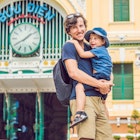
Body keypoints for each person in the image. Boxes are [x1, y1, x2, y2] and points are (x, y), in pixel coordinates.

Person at [62, 13, 113, 140]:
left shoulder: (92, 47)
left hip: (99, 99)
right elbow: (73, 72)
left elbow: (108, 68)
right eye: (74, 27)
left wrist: (107, 85)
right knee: (87, 137)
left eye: (81, 25)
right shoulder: (69, 46)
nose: (79, 30)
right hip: (83, 99)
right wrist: (99, 84)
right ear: (69, 31)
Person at [68, 27, 113, 128]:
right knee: (103, 102)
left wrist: (75, 43)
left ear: (103, 41)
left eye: (95, 38)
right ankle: (106, 124)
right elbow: (111, 68)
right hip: (105, 78)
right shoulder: (105, 53)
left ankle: (80, 112)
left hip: (99, 77)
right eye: (91, 38)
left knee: (79, 86)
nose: (92, 41)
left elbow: (83, 54)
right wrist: (109, 82)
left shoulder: (99, 50)